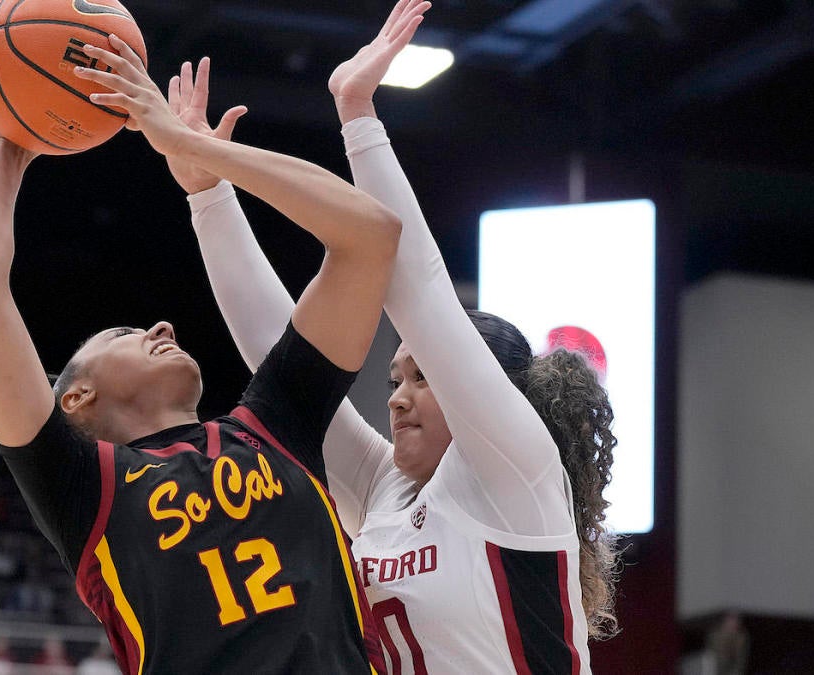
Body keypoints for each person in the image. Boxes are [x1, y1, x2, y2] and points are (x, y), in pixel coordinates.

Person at [184, 1, 619, 672]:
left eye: (423, 378)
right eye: (395, 380)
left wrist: (358, 116)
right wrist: (207, 195)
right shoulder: (386, 485)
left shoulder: (516, 472)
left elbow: (418, 286)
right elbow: (282, 360)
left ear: (486, 394)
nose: (398, 399)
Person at [0, 34, 399, 674]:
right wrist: (9, 134)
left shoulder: (275, 426)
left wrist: (195, 150)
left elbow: (369, 236)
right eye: (123, 333)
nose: (160, 325)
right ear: (75, 397)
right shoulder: (80, 486)